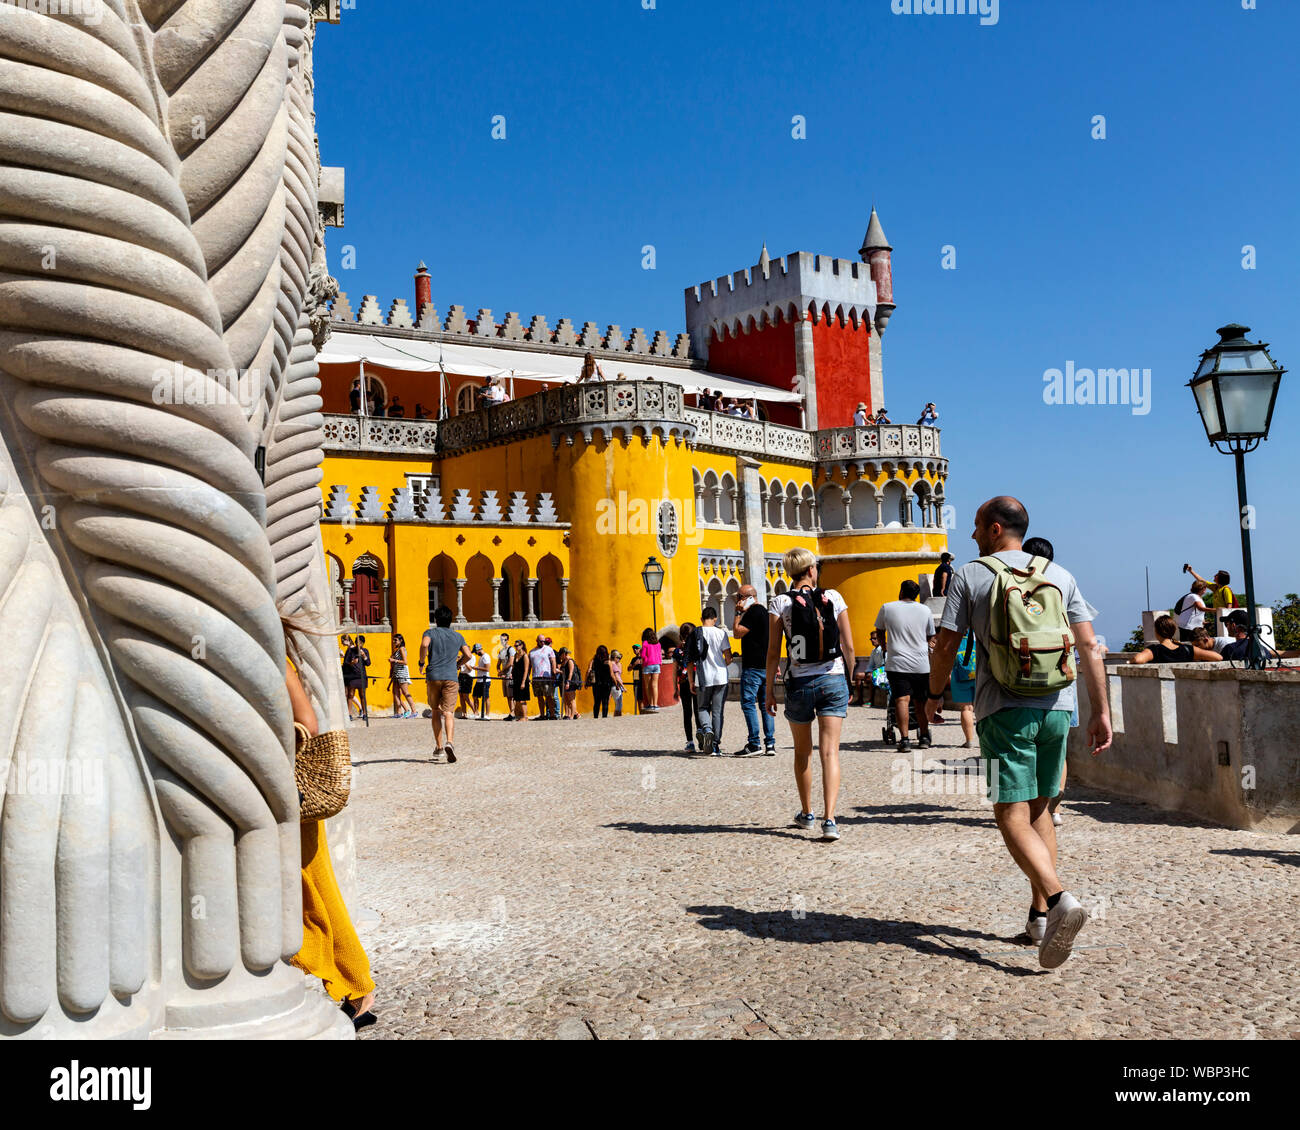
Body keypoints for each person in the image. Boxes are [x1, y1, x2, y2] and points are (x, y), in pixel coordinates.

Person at [923, 496, 1112, 968]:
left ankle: (1058, 896)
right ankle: (1040, 920)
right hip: (1058, 707)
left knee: (1009, 814)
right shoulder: (1059, 573)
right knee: (1041, 809)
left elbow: (946, 644)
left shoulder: (971, 574)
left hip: (1004, 705)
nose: (968, 535)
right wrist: (1101, 711)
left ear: (993, 529)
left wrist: (933, 693)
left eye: (974, 526)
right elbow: (1089, 645)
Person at [284, 648, 376, 1030]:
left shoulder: (273, 660)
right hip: (267, 795)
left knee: (314, 889)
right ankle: (354, 986)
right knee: (305, 890)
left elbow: (307, 722)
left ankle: (357, 986)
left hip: (289, 792)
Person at [765, 547, 854, 842]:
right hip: (833, 678)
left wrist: (768, 691)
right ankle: (830, 820)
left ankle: (807, 813)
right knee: (830, 752)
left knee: (803, 752)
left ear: (790, 573)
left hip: (799, 682)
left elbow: (773, 652)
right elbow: (849, 647)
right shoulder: (834, 597)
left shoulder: (780, 602)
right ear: (812, 570)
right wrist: (850, 681)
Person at [875, 580, 936, 752]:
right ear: (916, 594)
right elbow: (930, 635)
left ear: (901, 591)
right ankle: (924, 736)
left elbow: (879, 631)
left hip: (897, 662)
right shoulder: (925, 610)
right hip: (921, 663)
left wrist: (886, 647)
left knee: (901, 700)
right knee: (920, 701)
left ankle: (905, 740)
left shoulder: (887, 607)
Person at [419, 606, 469, 763]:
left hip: (434, 675)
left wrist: (421, 661)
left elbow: (424, 645)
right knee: (448, 712)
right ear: (450, 620)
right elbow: (468, 654)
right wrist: (458, 664)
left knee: (435, 711)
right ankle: (450, 743)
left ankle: (439, 747)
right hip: (451, 676)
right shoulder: (457, 636)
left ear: (436, 620)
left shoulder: (430, 633)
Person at [732, 584, 776, 756]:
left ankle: (754, 743)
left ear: (745, 598)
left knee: (748, 704)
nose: (737, 601)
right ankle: (770, 744)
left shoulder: (752, 613)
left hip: (753, 668)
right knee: (766, 705)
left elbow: (736, 632)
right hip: (767, 666)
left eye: (738, 597)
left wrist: (737, 613)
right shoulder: (765, 613)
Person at [690, 607, 732, 756]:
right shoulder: (721, 633)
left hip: (703, 677)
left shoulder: (695, 633)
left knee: (702, 708)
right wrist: (721, 664)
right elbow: (728, 657)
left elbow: (690, 660)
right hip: (720, 677)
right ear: (715, 619)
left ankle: (707, 730)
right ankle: (715, 746)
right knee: (717, 711)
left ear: (701, 619)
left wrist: (690, 681)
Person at [1130, 615, 1222, 664]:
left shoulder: (1155, 650)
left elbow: (1138, 660)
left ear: (1157, 632)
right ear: (1173, 631)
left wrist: (1130, 661)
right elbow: (1218, 657)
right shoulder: (1187, 649)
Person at [671, 625, 697, 753]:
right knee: (699, 711)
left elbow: (674, 672)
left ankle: (690, 742)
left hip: (684, 683)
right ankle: (701, 736)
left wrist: (675, 688)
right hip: (697, 683)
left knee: (687, 713)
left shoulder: (677, 651)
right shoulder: (697, 649)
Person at [950, 629, 977, 749]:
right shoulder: (980, 629)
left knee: (966, 708)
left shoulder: (954, 633)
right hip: (980, 673)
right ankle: (986, 741)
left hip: (960, 674)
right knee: (984, 709)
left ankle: (969, 741)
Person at [342, 634, 371, 721]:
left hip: (361, 676)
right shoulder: (350, 651)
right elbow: (345, 663)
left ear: (363, 643)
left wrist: (364, 656)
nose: (359, 644)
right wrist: (352, 663)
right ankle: (349, 714)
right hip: (352, 676)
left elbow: (368, 663)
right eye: (357, 642)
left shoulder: (365, 651)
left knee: (362, 695)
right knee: (350, 694)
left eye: (361, 643)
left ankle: (365, 713)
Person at [528, 634, 557, 720]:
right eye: (541, 641)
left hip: (546, 676)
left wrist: (554, 671)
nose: (543, 642)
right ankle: (542, 715)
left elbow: (553, 660)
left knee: (549, 696)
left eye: (544, 641)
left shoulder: (549, 649)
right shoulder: (531, 652)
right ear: (537, 641)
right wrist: (528, 676)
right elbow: (529, 665)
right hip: (536, 677)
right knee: (539, 697)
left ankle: (552, 715)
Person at [389, 634, 417, 718]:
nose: (394, 642)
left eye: (396, 640)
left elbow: (405, 662)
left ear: (401, 641)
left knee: (405, 692)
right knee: (396, 693)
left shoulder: (402, 648)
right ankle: (399, 712)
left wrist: (394, 660)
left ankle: (414, 711)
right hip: (397, 673)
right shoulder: (397, 650)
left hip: (402, 673)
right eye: (393, 640)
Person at [639, 629, 662, 713]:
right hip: (657, 664)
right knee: (655, 685)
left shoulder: (645, 643)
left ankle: (651, 703)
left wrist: (641, 652)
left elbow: (643, 655)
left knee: (648, 686)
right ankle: (655, 705)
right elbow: (659, 654)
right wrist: (659, 663)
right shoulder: (658, 643)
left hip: (648, 665)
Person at [588, 645, 614, 718]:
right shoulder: (608, 662)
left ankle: (595, 717)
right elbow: (612, 674)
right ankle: (604, 717)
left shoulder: (593, 661)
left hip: (596, 684)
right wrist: (616, 683)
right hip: (606, 684)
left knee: (596, 702)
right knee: (605, 702)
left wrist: (587, 681)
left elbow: (589, 670)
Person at [495, 631, 515, 720]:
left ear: (508, 640)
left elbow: (511, 662)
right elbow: (498, 664)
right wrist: (499, 671)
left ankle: (513, 713)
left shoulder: (511, 649)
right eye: (502, 639)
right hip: (504, 675)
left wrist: (502, 672)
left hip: (510, 674)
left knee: (511, 696)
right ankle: (511, 713)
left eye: (505, 639)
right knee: (507, 695)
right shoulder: (501, 651)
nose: (503, 641)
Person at [510, 639, 530, 720]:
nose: (516, 647)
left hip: (522, 679)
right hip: (516, 679)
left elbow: (526, 670)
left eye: (517, 645)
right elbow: (514, 666)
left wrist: (523, 682)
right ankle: (519, 715)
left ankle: (525, 716)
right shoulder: (516, 655)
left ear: (521, 645)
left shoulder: (525, 656)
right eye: (515, 646)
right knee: (517, 699)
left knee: (522, 699)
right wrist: (511, 673)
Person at [558, 647, 580, 719]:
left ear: (564, 654)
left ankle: (572, 715)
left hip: (570, 682)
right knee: (566, 700)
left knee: (571, 700)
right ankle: (571, 714)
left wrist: (568, 682)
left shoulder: (570, 661)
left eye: (561, 655)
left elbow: (571, 672)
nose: (560, 656)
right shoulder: (563, 661)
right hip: (564, 682)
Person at [469, 643, 491, 717]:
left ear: (479, 649)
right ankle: (476, 713)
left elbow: (487, 669)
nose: (475, 653)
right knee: (475, 696)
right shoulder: (481, 657)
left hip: (485, 681)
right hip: (479, 680)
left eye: (475, 651)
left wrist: (476, 668)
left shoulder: (486, 657)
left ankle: (487, 715)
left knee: (486, 698)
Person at [610, 649, 626, 716]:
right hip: (616, 686)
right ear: (615, 657)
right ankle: (617, 718)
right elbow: (617, 677)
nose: (619, 659)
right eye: (618, 658)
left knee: (616, 704)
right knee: (619, 705)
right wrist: (623, 687)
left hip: (611, 685)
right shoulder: (614, 665)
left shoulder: (609, 664)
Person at [628, 645, 643, 711]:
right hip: (636, 679)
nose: (635, 650)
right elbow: (628, 669)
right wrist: (635, 664)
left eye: (636, 648)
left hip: (644, 679)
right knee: (638, 698)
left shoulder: (644, 657)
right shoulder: (633, 659)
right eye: (633, 648)